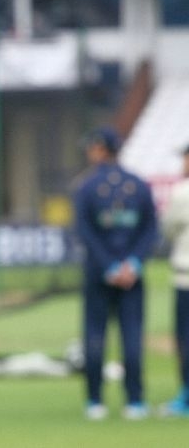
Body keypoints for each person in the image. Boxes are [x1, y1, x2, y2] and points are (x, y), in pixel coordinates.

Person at [72, 126, 158, 420]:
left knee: (95, 336)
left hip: (99, 274)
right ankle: (135, 401)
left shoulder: (86, 186)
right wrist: (132, 263)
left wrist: (109, 265)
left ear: (99, 149)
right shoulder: (139, 184)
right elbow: (151, 231)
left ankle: (95, 400)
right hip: (131, 275)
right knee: (132, 336)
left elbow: (85, 232)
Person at [159, 144, 189, 417]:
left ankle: (187, 397)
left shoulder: (182, 193)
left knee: (186, 339)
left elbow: (169, 229)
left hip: (186, 280)